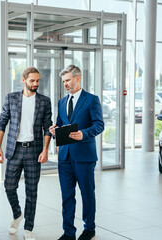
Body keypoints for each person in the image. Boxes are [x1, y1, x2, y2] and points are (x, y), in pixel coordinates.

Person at [0, 67, 53, 240]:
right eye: (32, 81)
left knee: (32, 191)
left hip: (34, 151)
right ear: (23, 80)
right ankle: (17, 213)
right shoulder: (11, 98)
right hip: (14, 149)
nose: (35, 84)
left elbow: (47, 127)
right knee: (9, 186)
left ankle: (28, 228)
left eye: (37, 81)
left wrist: (45, 150)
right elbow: (2, 122)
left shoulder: (44, 101)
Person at [49, 65, 104, 240]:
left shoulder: (92, 100)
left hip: (84, 155)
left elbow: (99, 124)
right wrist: (54, 129)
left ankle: (89, 228)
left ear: (78, 78)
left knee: (87, 193)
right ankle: (68, 232)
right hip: (64, 155)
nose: (65, 84)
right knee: (67, 195)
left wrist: (84, 133)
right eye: (63, 81)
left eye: (68, 80)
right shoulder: (62, 102)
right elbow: (60, 122)